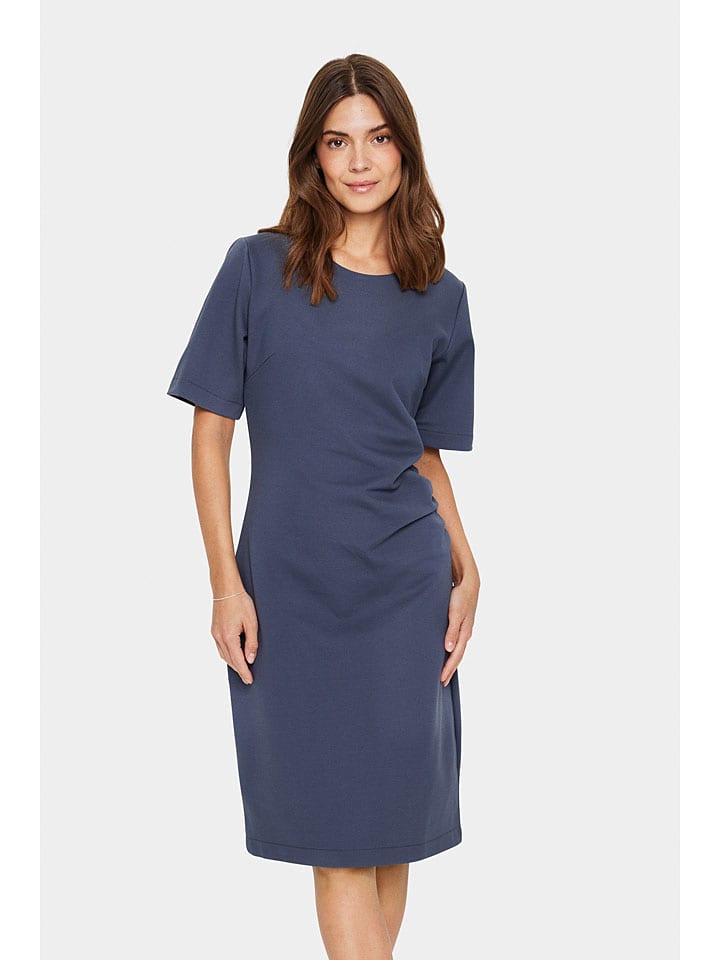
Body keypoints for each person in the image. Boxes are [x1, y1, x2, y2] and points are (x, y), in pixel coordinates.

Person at [167, 53, 480, 960]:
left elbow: (421, 452)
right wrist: (225, 584)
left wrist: (469, 568)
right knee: (337, 839)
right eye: (338, 141)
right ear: (312, 154)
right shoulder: (257, 267)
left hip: (406, 592)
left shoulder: (442, 298)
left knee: (392, 832)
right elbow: (211, 433)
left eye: (378, 138)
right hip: (294, 595)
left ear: (405, 149)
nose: (360, 160)